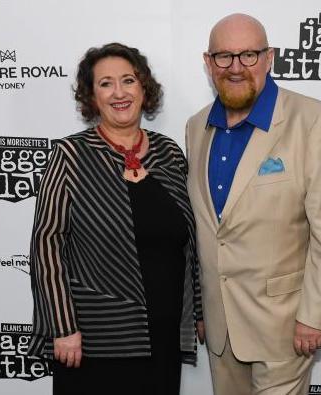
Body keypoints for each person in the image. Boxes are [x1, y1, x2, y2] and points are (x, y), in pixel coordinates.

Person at [185, 14, 321, 395]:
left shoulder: (314, 121)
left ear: (269, 58)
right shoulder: (197, 127)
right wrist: (202, 309)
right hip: (220, 327)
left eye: (248, 55)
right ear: (208, 63)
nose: (236, 68)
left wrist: (315, 315)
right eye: (223, 57)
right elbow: (207, 230)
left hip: (284, 326)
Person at [27, 42, 202, 395]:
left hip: (163, 332)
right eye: (106, 84)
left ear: (143, 89)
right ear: (92, 97)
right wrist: (62, 327)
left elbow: (190, 241)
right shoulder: (70, 155)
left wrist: (198, 309)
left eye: (128, 81)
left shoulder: (169, 152)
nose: (119, 93)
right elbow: (47, 246)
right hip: (93, 338)